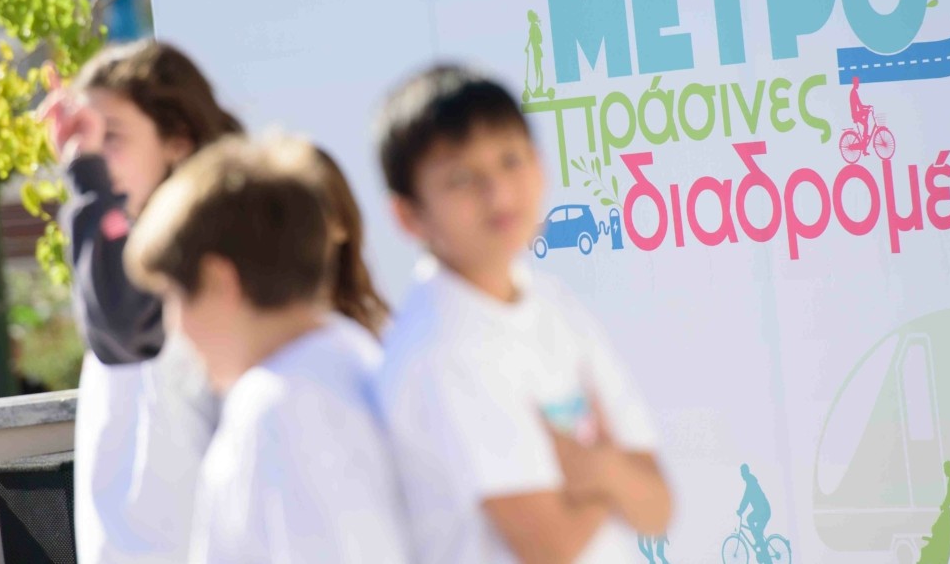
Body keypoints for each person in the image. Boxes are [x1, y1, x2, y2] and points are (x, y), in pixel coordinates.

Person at [43, 40, 392, 564]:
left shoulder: (214, 266)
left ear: (178, 141)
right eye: (83, 135)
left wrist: (88, 182)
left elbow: (122, 322)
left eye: (110, 134)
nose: (87, 150)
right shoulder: (117, 261)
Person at [373, 64, 672, 564]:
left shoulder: (551, 303)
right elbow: (550, 547)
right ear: (409, 214)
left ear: (539, 164)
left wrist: (592, 470)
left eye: (510, 160)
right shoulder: (441, 346)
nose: (498, 192)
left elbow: (657, 508)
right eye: (461, 179)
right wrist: (610, 472)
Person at [124, 135, 412, 564]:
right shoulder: (346, 356)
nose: (174, 326)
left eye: (174, 296)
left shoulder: (280, 408)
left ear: (219, 281)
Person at [737, 464, 771, 562]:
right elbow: (746, 499)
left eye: (742, 473)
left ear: (746, 472)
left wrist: (740, 510)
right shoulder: (751, 482)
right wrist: (741, 510)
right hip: (762, 511)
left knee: (753, 525)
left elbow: (746, 499)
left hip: (764, 511)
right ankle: (759, 544)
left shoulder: (751, 484)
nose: (742, 475)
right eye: (741, 473)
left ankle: (765, 556)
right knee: (755, 529)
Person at [849, 76, 873, 154]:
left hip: (856, 113)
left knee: (866, 115)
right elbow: (860, 106)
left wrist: (867, 107)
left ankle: (864, 138)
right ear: (854, 83)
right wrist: (866, 108)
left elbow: (860, 106)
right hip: (855, 114)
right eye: (857, 83)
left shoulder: (854, 92)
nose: (858, 84)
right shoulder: (853, 93)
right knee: (866, 125)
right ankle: (864, 138)